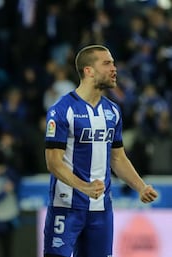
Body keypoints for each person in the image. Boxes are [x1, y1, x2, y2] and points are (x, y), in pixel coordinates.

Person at [43, 44, 159, 257]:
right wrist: (84, 187)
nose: (114, 68)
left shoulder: (112, 111)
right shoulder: (61, 110)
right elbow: (53, 163)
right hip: (66, 208)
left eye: (113, 63)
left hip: (101, 211)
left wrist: (140, 187)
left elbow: (118, 157)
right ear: (89, 71)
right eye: (107, 63)